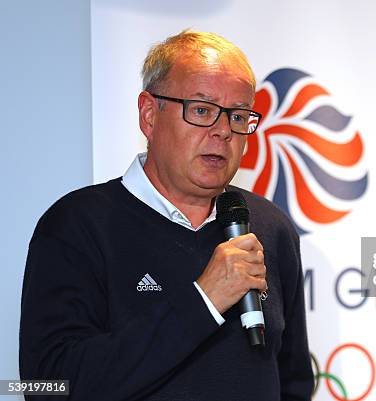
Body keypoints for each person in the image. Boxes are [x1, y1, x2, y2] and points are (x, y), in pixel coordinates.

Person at [19, 30, 313, 401]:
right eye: (202, 110)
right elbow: (47, 387)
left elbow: (293, 382)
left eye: (238, 116)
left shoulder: (269, 227)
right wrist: (203, 302)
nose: (223, 131)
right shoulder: (75, 225)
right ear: (148, 115)